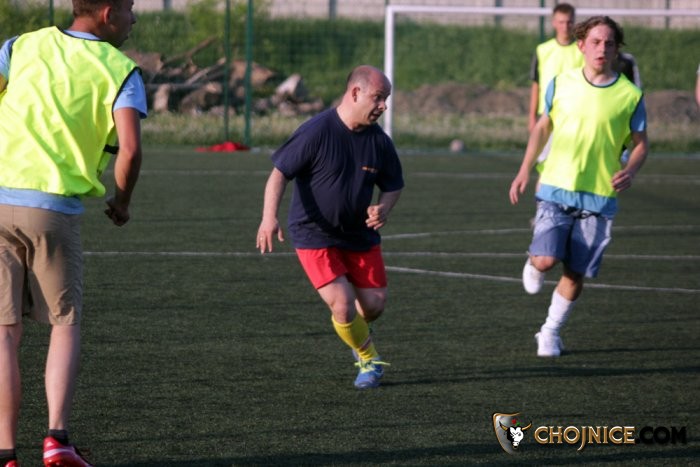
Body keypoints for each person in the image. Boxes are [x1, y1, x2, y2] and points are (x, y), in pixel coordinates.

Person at [0, 1, 146, 465]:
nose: (134, 18)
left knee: (4, 332)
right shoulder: (121, 69)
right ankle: (56, 439)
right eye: (130, 8)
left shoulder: (20, 46)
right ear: (107, 13)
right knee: (64, 324)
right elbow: (130, 150)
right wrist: (121, 202)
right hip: (53, 208)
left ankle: (5, 452)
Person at [256, 65, 404, 390]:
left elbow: (393, 184)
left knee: (374, 305)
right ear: (355, 93)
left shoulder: (379, 142)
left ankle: (356, 332)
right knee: (342, 303)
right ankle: (369, 359)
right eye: (379, 97)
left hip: (359, 235)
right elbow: (279, 173)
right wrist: (269, 217)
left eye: (386, 99)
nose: (384, 106)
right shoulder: (317, 131)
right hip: (314, 234)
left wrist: (384, 208)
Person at [509, 16, 648, 358]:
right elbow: (543, 127)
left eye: (609, 43)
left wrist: (631, 170)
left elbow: (641, 144)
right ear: (582, 45)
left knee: (575, 272)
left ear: (617, 49)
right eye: (596, 42)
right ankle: (533, 261)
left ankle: (550, 332)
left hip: (599, 196)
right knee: (546, 261)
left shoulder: (630, 95)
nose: (602, 48)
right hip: (556, 186)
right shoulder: (561, 83)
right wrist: (524, 169)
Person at [528, 3, 584, 135]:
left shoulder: (583, 50)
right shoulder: (542, 50)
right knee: (545, 149)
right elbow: (536, 85)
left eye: (569, 22)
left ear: (574, 23)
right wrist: (532, 117)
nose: (565, 27)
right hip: (546, 114)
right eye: (561, 22)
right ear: (554, 23)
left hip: (573, 114)